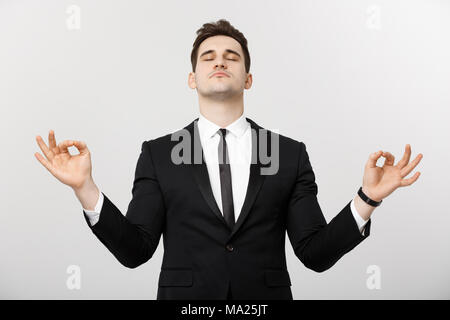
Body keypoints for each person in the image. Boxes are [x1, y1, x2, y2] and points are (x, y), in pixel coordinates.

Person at [35, 19, 423, 300]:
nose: (220, 61)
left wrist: (367, 198)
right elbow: (136, 251)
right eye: (208, 57)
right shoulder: (158, 154)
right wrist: (85, 188)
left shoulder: (288, 154)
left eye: (231, 57)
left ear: (248, 78)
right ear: (193, 78)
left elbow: (315, 254)